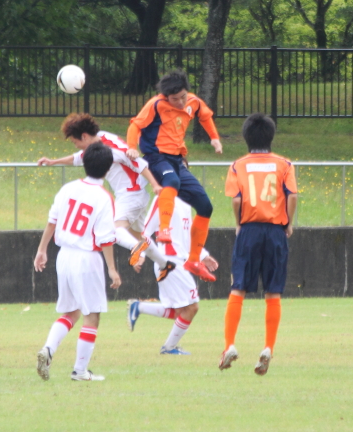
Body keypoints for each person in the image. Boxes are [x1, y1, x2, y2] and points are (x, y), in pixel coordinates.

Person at [38, 113, 175, 280]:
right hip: (132, 196)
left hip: (131, 195)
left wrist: (155, 184)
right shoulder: (97, 144)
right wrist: (53, 162)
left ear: (84, 136)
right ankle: (164, 264)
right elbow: (79, 159)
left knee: (115, 230)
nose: (76, 146)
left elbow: (138, 162)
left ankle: (137, 248)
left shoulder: (111, 146)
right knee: (139, 236)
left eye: (75, 142)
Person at [34, 142, 121, 382]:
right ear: (109, 168)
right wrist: (112, 269)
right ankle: (80, 371)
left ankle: (48, 349)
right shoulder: (104, 197)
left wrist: (42, 250)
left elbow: (52, 220)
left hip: (64, 256)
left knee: (71, 311)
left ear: (84, 163)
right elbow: (105, 239)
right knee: (91, 314)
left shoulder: (68, 188)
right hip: (87, 259)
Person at [125, 69, 222, 283]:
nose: (180, 102)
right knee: (172, 182)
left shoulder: (194, 101)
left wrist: (214, 138)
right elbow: (135, 125)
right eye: (174, 99)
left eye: (182, 97)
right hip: (156, 157)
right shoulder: (156, 105)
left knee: (206, 206)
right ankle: (164, 229)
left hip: (177, 160)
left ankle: (195, 260)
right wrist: (132, 147)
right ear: (165, 97)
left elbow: (205, 117)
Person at [220, 113, 298, 376]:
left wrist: (239, 223)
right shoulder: (284, 164)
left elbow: (235, 200)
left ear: (246, 137)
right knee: (273, 292)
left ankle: (229, 344)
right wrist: (288, 222)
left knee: (238, 287)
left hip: (250, 230)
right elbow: (292, 195)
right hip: (275, 231)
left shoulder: (237, 165)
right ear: (271, 136)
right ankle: (267, 347)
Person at [127, 196, 218, 355]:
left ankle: (139, 307)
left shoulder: (186, 200)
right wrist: (141, 254)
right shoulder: (162, 197)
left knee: (180, 310)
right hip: (169, 262)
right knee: (192, 307)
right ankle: (168, 348)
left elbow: (187, 234)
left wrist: (202, 254)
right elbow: (145, 231)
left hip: (179, 261)